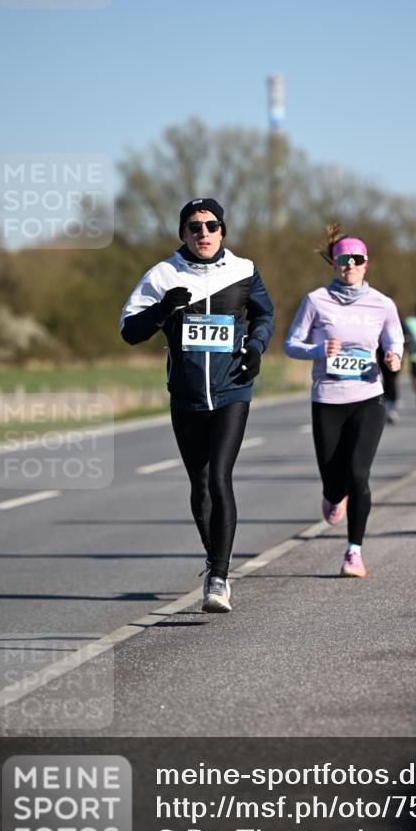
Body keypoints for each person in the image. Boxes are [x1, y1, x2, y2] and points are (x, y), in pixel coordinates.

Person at [120, 197, 274, 613]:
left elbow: (264, 315)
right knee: (200, 483)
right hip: (186, 396)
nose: (202, 233)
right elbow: (129, 331)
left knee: (221, 477)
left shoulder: (244, 270)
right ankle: (214, 559)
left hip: (232, 390)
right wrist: (161, 310)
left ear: (223, 230)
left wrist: (256, 347)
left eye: (210, 226)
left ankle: (219, 579)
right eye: (193, 227)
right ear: (182, 233)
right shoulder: (163, 274)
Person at [283, 225, 404, 578]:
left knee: (358, 474)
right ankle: (333, 495)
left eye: (356, 260)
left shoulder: (382, 303)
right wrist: (319, 350)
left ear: (367, 263)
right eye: (343, 260)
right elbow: (291, 344)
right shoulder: (316, 300)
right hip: (327, 398)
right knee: (334, 482)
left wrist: (394, 357)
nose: (349, 265)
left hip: (368, 396)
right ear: (334, 264)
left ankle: (354, 551)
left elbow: (394, 339)